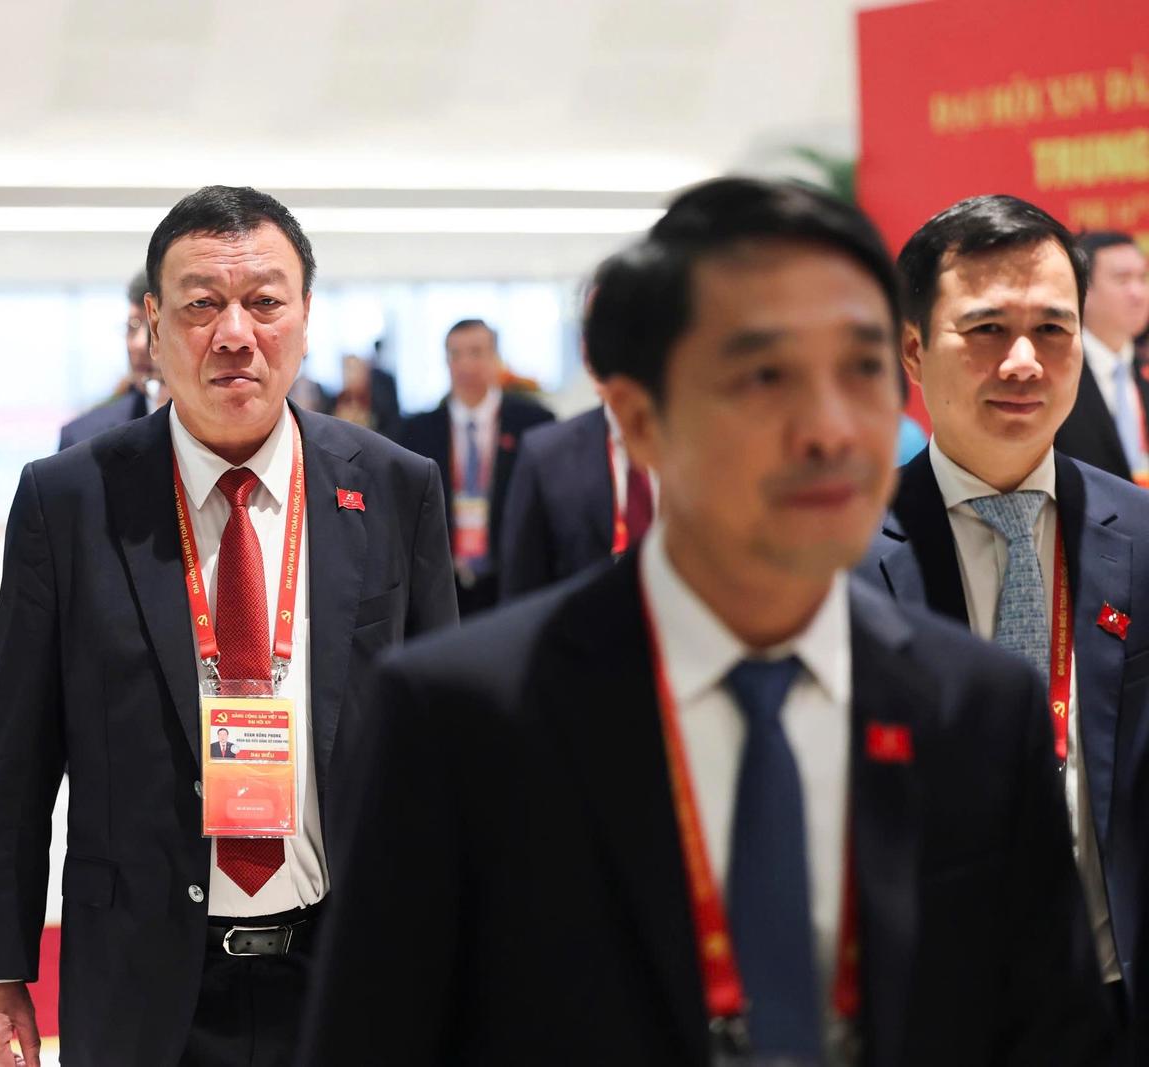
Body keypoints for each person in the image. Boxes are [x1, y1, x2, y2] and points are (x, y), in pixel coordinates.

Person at [299, 178, 1112, 1065]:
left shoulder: (973, 707)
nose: (830, 429)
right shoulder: (466, 719)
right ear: (640, 418)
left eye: (861, 368)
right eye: (765, 376)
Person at [0, 186, 458, 1067]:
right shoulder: (69, 499)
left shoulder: (392, 486)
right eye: (200, 304)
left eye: (264, 301)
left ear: (305, 317)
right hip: (141, 976)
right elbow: (19, 750)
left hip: (348, 969)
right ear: (153, 324)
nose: (234, 332)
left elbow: (440, 748)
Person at [860, 196, 1147, 1040]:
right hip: (927, 1018)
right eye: (987, 329)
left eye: (1053, 330)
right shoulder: (840, 564)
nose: (1024, 362)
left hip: (1117, 1006)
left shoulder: (1139, 539)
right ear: (914, 350)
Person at [499, 249, 655, 599]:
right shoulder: (548, 455)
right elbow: (521, 597)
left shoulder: (710, 447)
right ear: (585, 350)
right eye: (603, 330)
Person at [399, 319, 554, 614]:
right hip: (442, 585)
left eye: (476, 352)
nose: (466, 365)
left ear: (495, 358)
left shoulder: (534, 424)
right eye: (456, 355)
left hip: (513, 583)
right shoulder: (417, 432)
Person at [1055, 232, 1149, 486]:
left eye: (1142, 278)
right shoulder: (1056, 373)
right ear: (1083, 289)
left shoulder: (1142, 371)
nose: (1138, 293)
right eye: (1122, 280)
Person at [57, 270, 164, 450]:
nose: (138, 344)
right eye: (132, 327)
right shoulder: (83, 438)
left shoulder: (214, 429)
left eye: (154, 326)